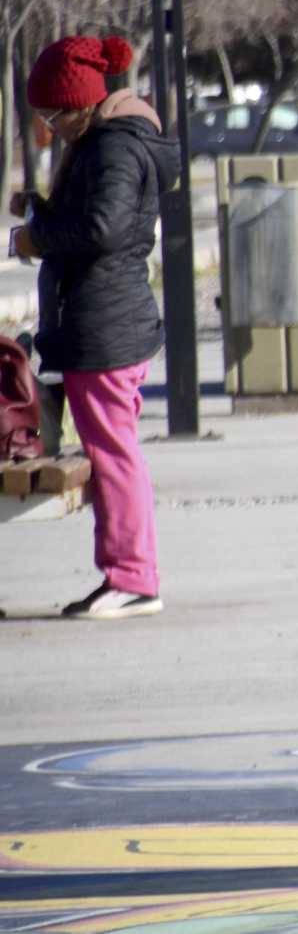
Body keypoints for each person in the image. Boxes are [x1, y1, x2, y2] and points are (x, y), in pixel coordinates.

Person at [11, 36, 180, 619]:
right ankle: (127, 573)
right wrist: (38, 209)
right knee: (113, 452)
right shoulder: (102, 143)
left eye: (53, 115)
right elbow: (92, 219)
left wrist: (38, 238)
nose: (50, 127)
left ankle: (133, 577)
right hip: (103, 319)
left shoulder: (112, 149)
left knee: (113, 456)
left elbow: (103, 231)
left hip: (106, 324)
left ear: (80, 104)